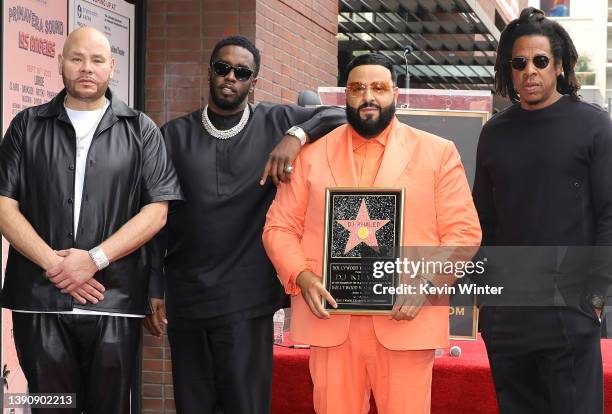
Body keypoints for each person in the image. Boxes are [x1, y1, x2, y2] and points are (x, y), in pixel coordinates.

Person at [262, 52, 481, 414]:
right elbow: (278, 228)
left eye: (379, 88)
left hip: (406, 320)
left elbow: (464, 232)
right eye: (358, 88)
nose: (368, 96)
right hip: (330, 321)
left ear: (395, 93)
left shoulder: (437, 153)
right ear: (345, 95)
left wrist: (425, 280)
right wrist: (302, 275)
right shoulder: (311, 157)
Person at [143, 35, 345, 414]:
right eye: (222, 68)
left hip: (246, 301)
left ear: (254, 80)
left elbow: (341, 115)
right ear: (210, 72)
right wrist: (153, 284)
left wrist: (296, 135)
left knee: (245, 406)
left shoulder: (277, 121)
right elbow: (158, 217)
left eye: (241, 72)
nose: (230, 77)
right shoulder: (173, 136)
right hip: (187, 298)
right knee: (193, 406)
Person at [0, 26, 183, 414]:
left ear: (112, 67)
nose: (87, 68)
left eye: (97, 60)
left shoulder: (141, 130)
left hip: (113, 298)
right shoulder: (27, 126)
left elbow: (157, 211)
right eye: (77, 58)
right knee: (51, 406)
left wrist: (94, 259)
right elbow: (4, 205)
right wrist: (54, 264)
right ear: (61, 62)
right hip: (39, 298)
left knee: (109, 407)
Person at [473, 8, 612, 414]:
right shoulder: (494, 132)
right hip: (508, 314)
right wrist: (486, 298)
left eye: (540, 61)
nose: (529, 71)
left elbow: (610, 213)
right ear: (508, 69)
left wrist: (597, 293)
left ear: (560, 66)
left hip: (571, 309)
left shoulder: (594, 126)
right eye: (519, 63)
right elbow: (483, 221)